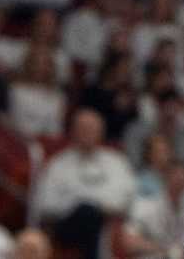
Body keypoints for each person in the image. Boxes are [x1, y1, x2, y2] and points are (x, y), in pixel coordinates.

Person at [32, 108, 134, 259]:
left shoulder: (116, 162)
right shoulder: (58, 164)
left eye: (92, 129)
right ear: (73, 131)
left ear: (102, 132)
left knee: (95, 216)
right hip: (67, 226)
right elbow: (46, 205)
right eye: (83, 129)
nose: (88, 133)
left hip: (109, 223)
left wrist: (98, 205)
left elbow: (127, 197)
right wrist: (82, 205)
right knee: (87, 212)